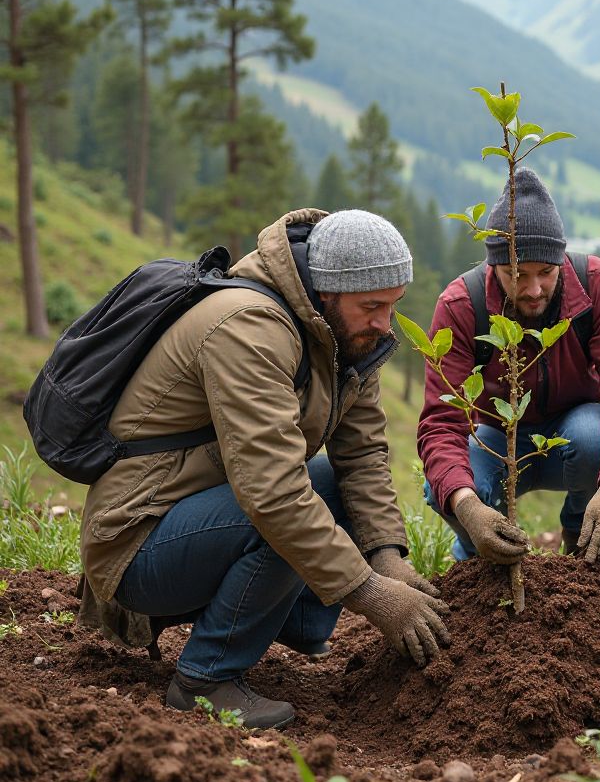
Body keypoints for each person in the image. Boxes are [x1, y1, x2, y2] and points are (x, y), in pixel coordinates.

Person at [78, 209, 451, 729]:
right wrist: (370, 593)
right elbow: (273, 496)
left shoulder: (342, 338)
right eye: (372, 307)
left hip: (202, 511)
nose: (384, 324)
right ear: (327, 292)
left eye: (393, 306)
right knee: (285, 505)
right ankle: (204, 680)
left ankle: (296, 618)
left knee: (327, 482)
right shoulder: (247, 326)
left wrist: (387, 557)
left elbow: (361, 455)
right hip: (137, 540)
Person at [418, 168, 600, 567]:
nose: (533, 290)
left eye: (545, 273)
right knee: (445, 486)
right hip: (495, 439)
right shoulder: (461, 306)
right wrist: (466, 506)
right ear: (494, 266)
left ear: (560, 259)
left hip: (575, 436)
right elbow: (441, 425)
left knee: (593, 437)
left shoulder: (599, 285)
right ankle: (480, 557)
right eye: (517, 275)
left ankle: (583, 538)